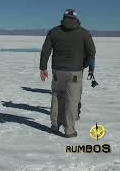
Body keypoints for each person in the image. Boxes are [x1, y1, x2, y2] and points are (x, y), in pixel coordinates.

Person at [39, 9, 96, 138]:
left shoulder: (54, 32)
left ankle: (54, 124)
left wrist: (43, 68)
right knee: (72, 100)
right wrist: (84, 65)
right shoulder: (84, 33)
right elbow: (91, 52)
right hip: (75, 71)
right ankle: (69, 130)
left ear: (63, 18)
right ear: (76, 19)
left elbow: (45, 51)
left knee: (57, 96)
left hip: (57, 71)